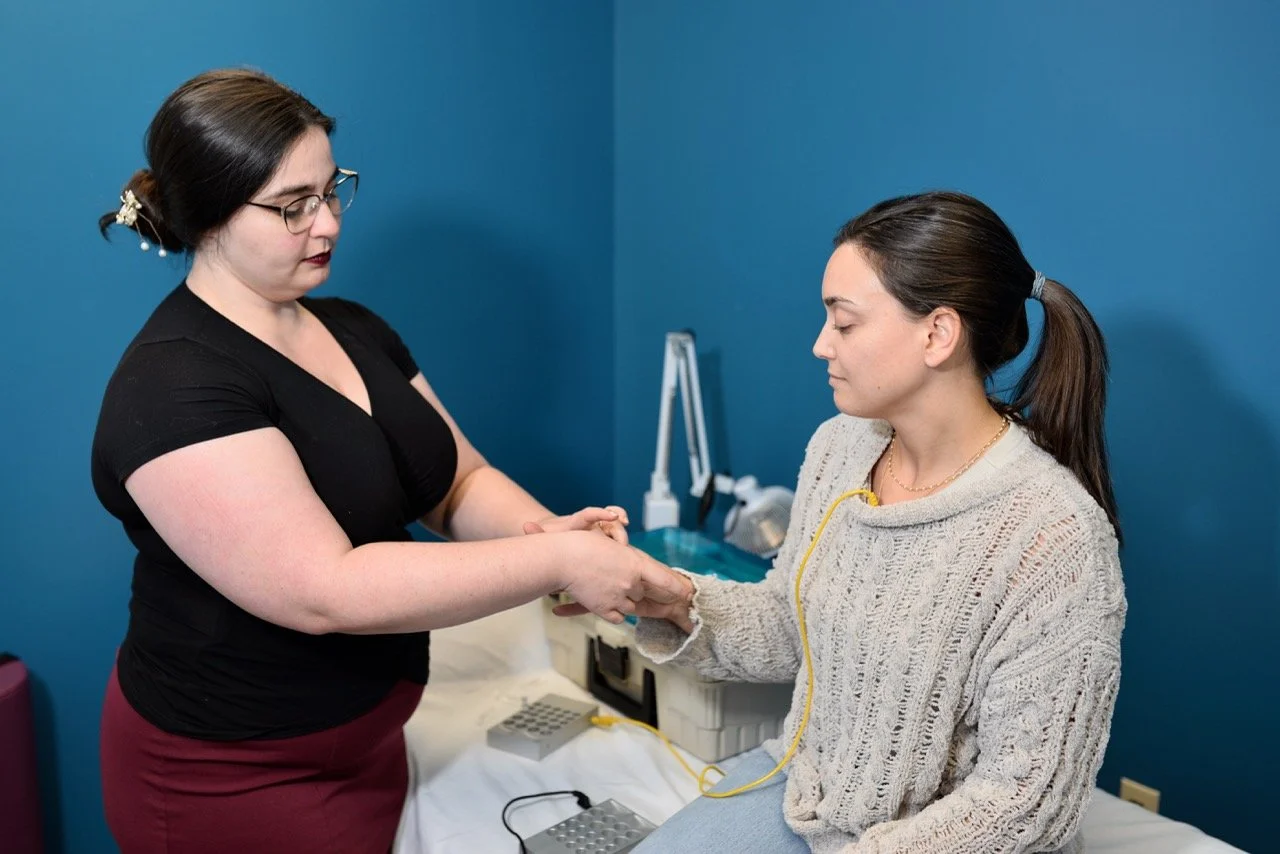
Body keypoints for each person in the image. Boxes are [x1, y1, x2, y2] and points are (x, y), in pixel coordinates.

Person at [91, 68, 690, 854]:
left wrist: (539, 529)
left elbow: (457, 482)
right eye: (291, 207)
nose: (329, 224)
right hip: (236, 774)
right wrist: (556, 561)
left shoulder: (351, 327)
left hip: (372, 740)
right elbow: (324, 591)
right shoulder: (174, 386)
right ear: (206, 215)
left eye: (332, 189)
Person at [614, 191, 1127, 853]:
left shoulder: (1055, 537)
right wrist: (670, 599)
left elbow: (1026, 803)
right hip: (811, 798)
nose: (820, 344)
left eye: (844, 322)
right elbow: (790, 623)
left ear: (937, 334)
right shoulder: (841, 448)